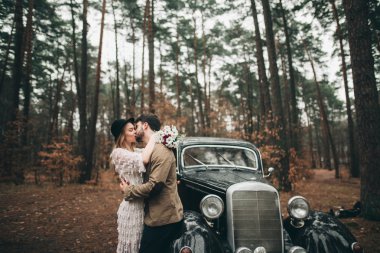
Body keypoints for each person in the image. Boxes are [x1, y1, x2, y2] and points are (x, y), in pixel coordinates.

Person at [120, 114, 183, 253]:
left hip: (163, 219)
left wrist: (128, 190)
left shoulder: (161, 150)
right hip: (156, 216)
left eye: (136, 127)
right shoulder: (150, 150)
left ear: (145, 125)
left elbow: (154, 185)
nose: (135, 131)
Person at [110, 118, 156, 253]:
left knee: (142, 246)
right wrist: (156, 137)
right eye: (131, 130)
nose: (135, 132)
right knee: (132, 247)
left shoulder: (135, 150)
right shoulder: (118, 153)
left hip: (143, 205)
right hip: (131, 209)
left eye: (134, 128)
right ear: (122, 135)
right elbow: (144, 159)